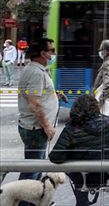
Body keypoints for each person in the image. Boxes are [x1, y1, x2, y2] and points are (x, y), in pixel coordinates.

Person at [49, 95, 109, 206]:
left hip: (84, 177)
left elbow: (55, 156)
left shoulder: (71, 128)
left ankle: (82, 202)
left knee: (80, 185)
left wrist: (73, 155)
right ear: (96, 107)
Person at [16, 38, 59, 206]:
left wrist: (54, 96)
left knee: (34, 167)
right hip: (36, 129)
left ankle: (29, 201)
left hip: (32, 127)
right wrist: (47, 127)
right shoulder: (35, 72)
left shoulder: (35, 70)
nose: (53, 53)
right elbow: (35, 103)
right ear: (42, 53)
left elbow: (35, 95)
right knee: (32, 171)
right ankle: (23, 203)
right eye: (51, 50)